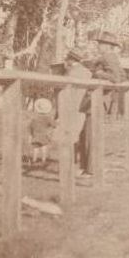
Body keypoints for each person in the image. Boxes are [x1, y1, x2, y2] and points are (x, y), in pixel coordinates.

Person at [55, 48, 93, 177]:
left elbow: (61, 89)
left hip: (69, 107)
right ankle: (76, 166)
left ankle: (68, 167)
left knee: (68, 136)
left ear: (70, 60)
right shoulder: (87, 72)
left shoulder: (70, 73)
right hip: (81, 107)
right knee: (77, 136)